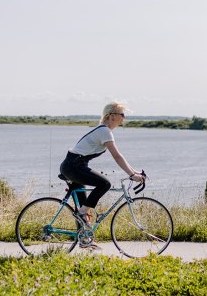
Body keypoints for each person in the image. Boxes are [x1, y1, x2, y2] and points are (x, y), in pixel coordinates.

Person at [60, 101, 144, 248]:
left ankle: (85, 240)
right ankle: (82, 217)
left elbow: (120, 156)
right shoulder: (104, 131)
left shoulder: (103, 131)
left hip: (73, 166)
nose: (123, 118)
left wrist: (134, 172)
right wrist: (131, 175)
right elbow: (117, 156)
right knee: (104, 184)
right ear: (112, 116)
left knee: (83, 204)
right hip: (74, 166)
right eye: (122, 115)